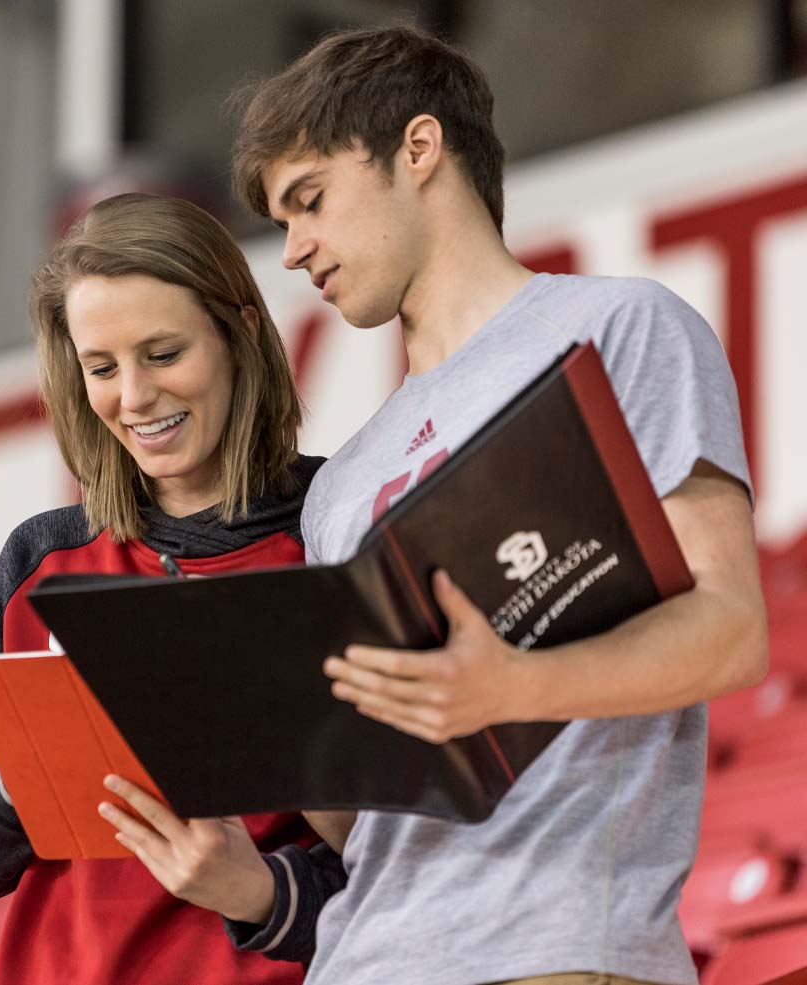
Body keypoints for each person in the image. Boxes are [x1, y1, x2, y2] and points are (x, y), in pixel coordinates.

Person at [124, 24, 767, 985]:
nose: (294, 250)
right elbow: (362, 816)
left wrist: (510, 687)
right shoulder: (339, 485)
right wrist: (255, 749)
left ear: (419, 150)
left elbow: (731, 634)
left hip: (548, 949)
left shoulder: (617, 328)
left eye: (310, 202)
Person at [0, 192, 326, 985]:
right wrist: (37, 755)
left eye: (164, 353)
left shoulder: (337, 529)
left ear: (241, 332)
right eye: (102, 368)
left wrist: (258, 892)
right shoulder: (43, 559)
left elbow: (411, 871)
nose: (133, 397)